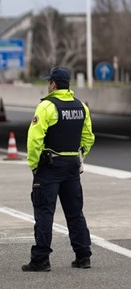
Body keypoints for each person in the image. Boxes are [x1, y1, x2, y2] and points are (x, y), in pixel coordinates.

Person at [22, 66, 94, 272]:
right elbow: (88, 137)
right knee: (75, 212)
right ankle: (83, 256)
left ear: (53, 84)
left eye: (48, 82)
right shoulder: (81, 107)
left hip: (50, 166)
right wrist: (79, 156)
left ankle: (41, 260)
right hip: (72, 166)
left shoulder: (46, 107)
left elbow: (34, 139)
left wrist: (34, 165)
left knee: (44, 212)